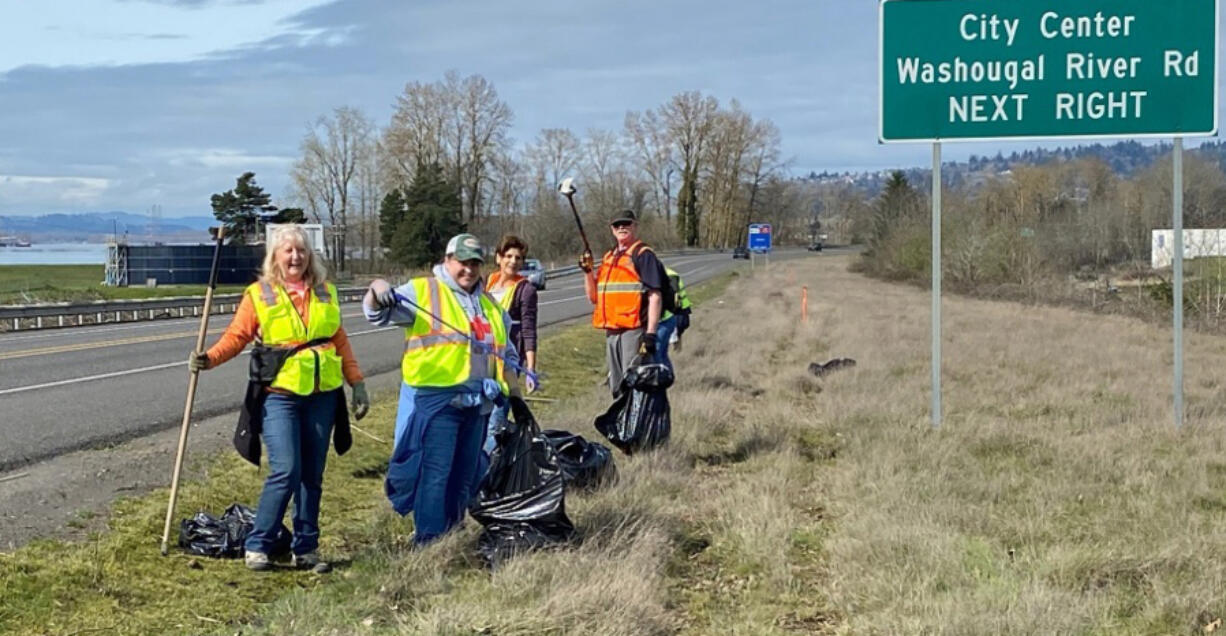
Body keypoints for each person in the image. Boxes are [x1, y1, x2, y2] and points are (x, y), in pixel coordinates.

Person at [189, 224, 369, 573]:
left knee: (312, 475)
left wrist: (357, 382)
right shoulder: (260, 294)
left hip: (322, 396)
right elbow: (237, 336)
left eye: (301, 250)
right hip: (280, 397)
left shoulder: (325, 293)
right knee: (286, 469)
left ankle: (307, 548)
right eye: (288, 251)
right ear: (275, 256)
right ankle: (258, 545)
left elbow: (339, 340)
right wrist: (208, 359)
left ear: (310, 256)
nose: (295, 256)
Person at [364, 233, 521, 547]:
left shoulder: (488, 303)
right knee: (435, 473)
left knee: (465, 474)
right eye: (462, 262)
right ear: (448, 260)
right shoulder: (424, 291)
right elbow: (376, 312)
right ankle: (430, 541)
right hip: (439, 404)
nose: (469, 269)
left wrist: (514, 392)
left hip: (478, 405)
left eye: (475, 263)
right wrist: (377, 289)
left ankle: (452, 532)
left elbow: (507, 352)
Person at [580, 209, 668, 396]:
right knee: (617, 386)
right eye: (617, 225)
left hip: (634, 330)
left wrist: (651, 333)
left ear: (635, 226)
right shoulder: (609, 258)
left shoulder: (643, 255)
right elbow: (594, 298)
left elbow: (655, 295)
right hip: (612, 331)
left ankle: (636, 423)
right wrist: (588, 272)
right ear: (612, 229)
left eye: (626, 224)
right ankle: (621, 423)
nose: (622, 227)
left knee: (634, 384)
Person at [483, 235, 539, 454]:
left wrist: (530, 369)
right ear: (499, 258)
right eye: (508, 256)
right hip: (484, 358)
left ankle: (490, 468)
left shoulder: (526, 290)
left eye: (518, 258)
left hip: (508, 361)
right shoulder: (487, 283)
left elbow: (529, 329)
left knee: (496, 418)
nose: (513, 261)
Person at [654, 266, 692, 370]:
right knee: (670, 342)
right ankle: (676, 357)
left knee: (668, 343)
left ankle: (677, 358)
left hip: (678, 311)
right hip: (679, 310)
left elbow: (674, 297)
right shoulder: (667, 272)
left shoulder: (669, 275)